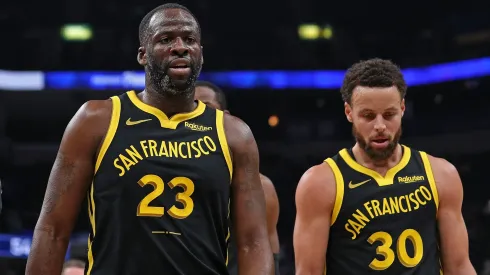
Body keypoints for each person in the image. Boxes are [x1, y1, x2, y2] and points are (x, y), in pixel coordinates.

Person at [25, 3, 273, 275]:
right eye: (166, 40)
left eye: (190, 40)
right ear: (143, 55)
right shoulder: (96, 120)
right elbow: (53, 229)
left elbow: (253, 243)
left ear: (201, 53)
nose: (180, 47)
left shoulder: (235, 134)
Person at [293, 58, 476, 275]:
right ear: (349, 112)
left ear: (402, 108)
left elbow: (459, 266)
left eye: (389, 115)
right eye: (368, 116)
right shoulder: (320, 183)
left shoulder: (441, 174)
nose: (380, 126)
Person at [195, 81, 281, 274]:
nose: (196, 116)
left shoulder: (261, 188)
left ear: (225, 118)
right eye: (190, 109)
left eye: (205, 108)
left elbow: (266, 259)